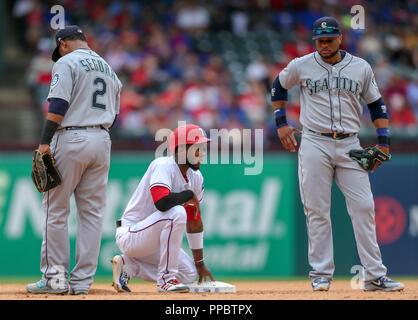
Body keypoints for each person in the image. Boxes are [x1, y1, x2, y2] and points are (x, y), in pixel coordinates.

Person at [271, 17, 404, 292]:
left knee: (364, 206)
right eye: (319, 40)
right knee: (317, 209)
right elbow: (279, 85)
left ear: (340, 38)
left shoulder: (360, 67)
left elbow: (377, 105)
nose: (324, 45)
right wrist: (281, 123)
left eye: (329, 39)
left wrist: (384, 143)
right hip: (314, 142)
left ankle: (374, 276)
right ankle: (320, 274)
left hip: (350, 143)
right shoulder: (302, 64)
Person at [26, 25, 122, 295]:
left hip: (70, 137)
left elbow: (57, 105)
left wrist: (45, 142)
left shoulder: (66, 62)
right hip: (102, 140)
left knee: (55, 211)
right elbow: (115, 115)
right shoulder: (108, 68)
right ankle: (81, 284)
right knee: (92, 215)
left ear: (64, 43)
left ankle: (54, 280)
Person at [111, 124, 214, 293]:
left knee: (188, 274)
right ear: (181, 150)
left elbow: (194, 221)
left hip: (155, 239)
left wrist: (200, 263)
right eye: (197, 148)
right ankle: (166, 279)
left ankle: (128, 267)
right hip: (132, 234)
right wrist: (187, 194)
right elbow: (162, 203)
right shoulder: (163, 164)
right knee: (176, 212)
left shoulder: (196, 177)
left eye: (203, 148)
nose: (202, 153)